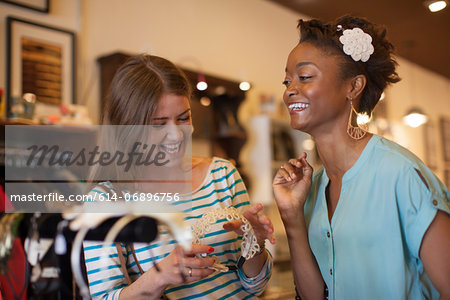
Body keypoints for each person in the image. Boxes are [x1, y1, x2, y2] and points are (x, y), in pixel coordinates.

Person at [272, 15, 450, 300]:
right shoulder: (312, 186)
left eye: (304, 77)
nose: (290, 89)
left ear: (353, 87)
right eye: (287, 80)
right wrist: (292, 219)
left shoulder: (401, 174)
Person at [83, 54, 275, 299]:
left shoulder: (222, 174)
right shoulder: (106, 201)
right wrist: (160, 276)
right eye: (158, 124)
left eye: (184, 118)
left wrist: (255, 245)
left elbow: (254, 287)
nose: (175, 135)